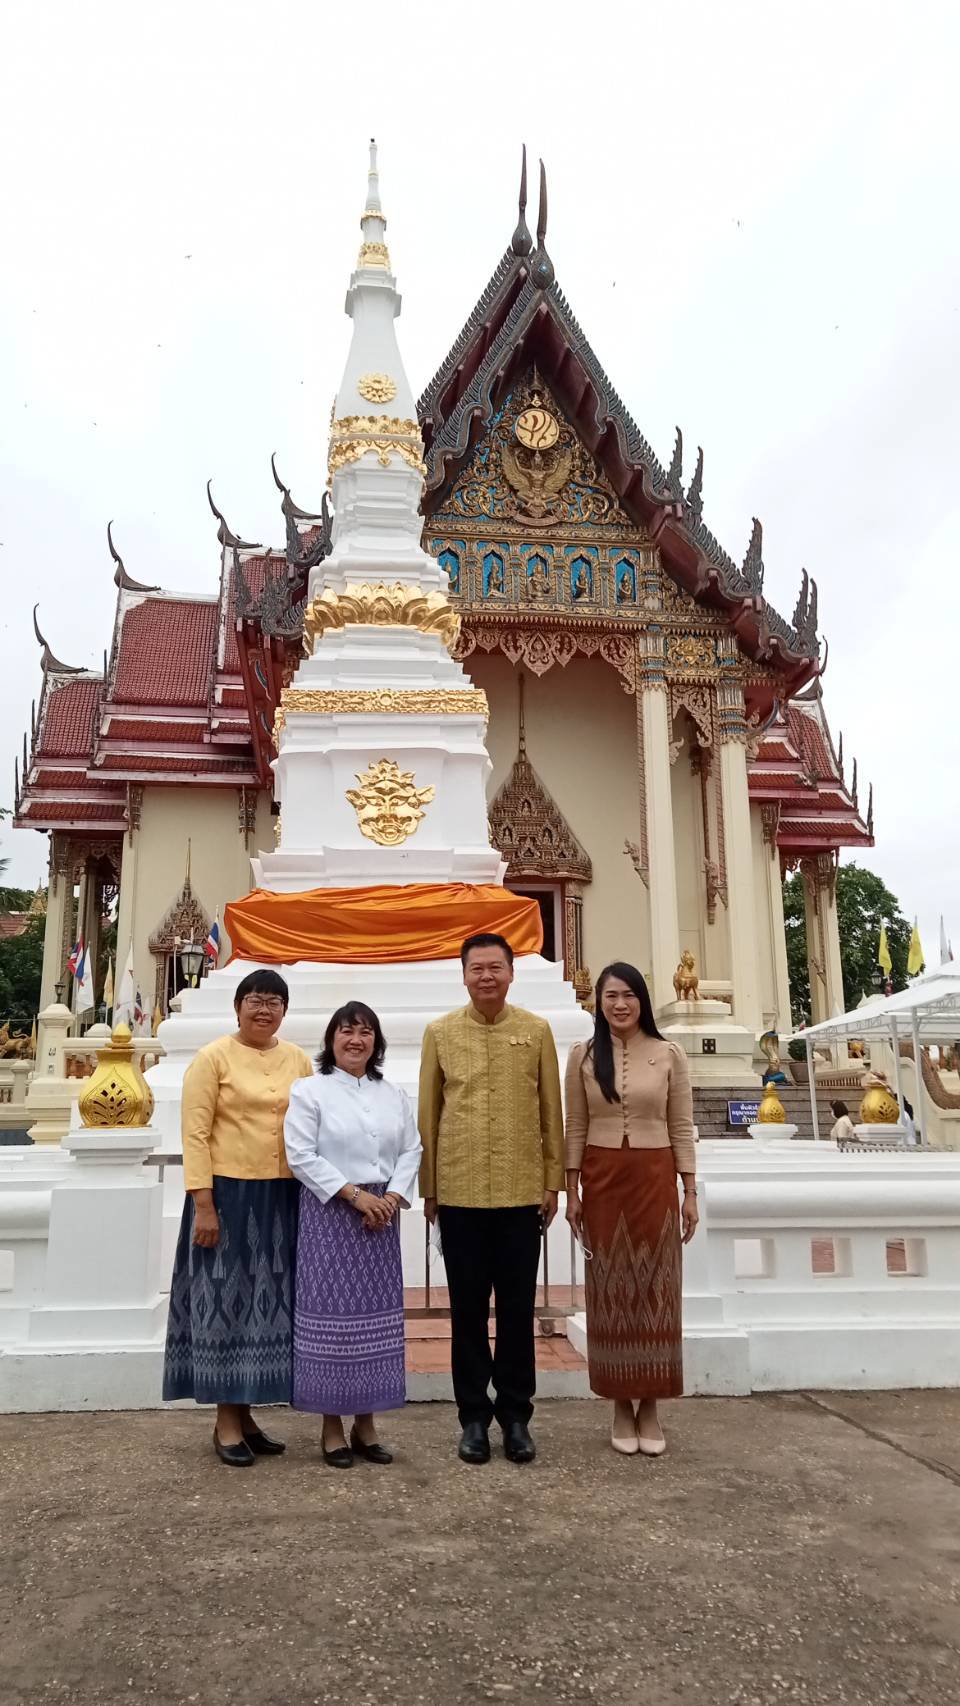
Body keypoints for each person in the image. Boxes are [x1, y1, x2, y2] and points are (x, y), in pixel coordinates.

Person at [418, 932, 563, 1465]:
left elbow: (552, 1110)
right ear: (463, 974)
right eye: (476, 968)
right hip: (459, 1194)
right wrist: (430, 1188)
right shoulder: (441, 1032)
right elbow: (428, 1116)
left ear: (510, 972)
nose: (486, 976)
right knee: (468, 1315)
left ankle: (517, 1417)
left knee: (518, 1313)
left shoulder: (536, 1030)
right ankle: (473, 1417)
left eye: (495, 967)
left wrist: (552, 1183)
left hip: (522, 1194)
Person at [162, 969, 313, 1467]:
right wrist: (203, 1203)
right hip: (225, 1197)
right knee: (227, 1300)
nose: (263, 1009)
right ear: (237, 1007)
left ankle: (246, 1416)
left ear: (284, 1011)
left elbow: (314, 1124)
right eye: (254, 1000)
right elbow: (195, 1134)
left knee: (267, 1304)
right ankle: (225, 1420)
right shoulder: (212, 1058)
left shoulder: (298, 1060)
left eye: (273, 1001)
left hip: (283, 1194)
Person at [564, 963, 697, 1457]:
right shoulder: (582, 1055)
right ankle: (620, 1402)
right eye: (610, 996)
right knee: (611, 1289)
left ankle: (652, 1406)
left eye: (628, 996)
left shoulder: (668, 1055)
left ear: (642, 999)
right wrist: (572, 1192)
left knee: (657, 1288)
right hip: (602, 1180)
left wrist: (689, 1192)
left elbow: (681, 1124)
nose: (620, 1005)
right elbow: (573, 1126)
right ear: (598, 1002)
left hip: (654, 1177)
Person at [284, 1002, 421, 1468]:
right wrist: (354, 1196)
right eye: (346, 1032)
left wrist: (393, 1197)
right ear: (331, 1040)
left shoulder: (394, 1095)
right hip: (331, 1212)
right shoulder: (310, 1091)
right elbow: (300, 1155)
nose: (355, 1040)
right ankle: (330, 1426)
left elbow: (412, 1149)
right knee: (332, 1319)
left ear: (376, 1042)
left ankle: (367, 1423)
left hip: (382, 1215)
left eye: (365, 1032)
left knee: (375, 1319)